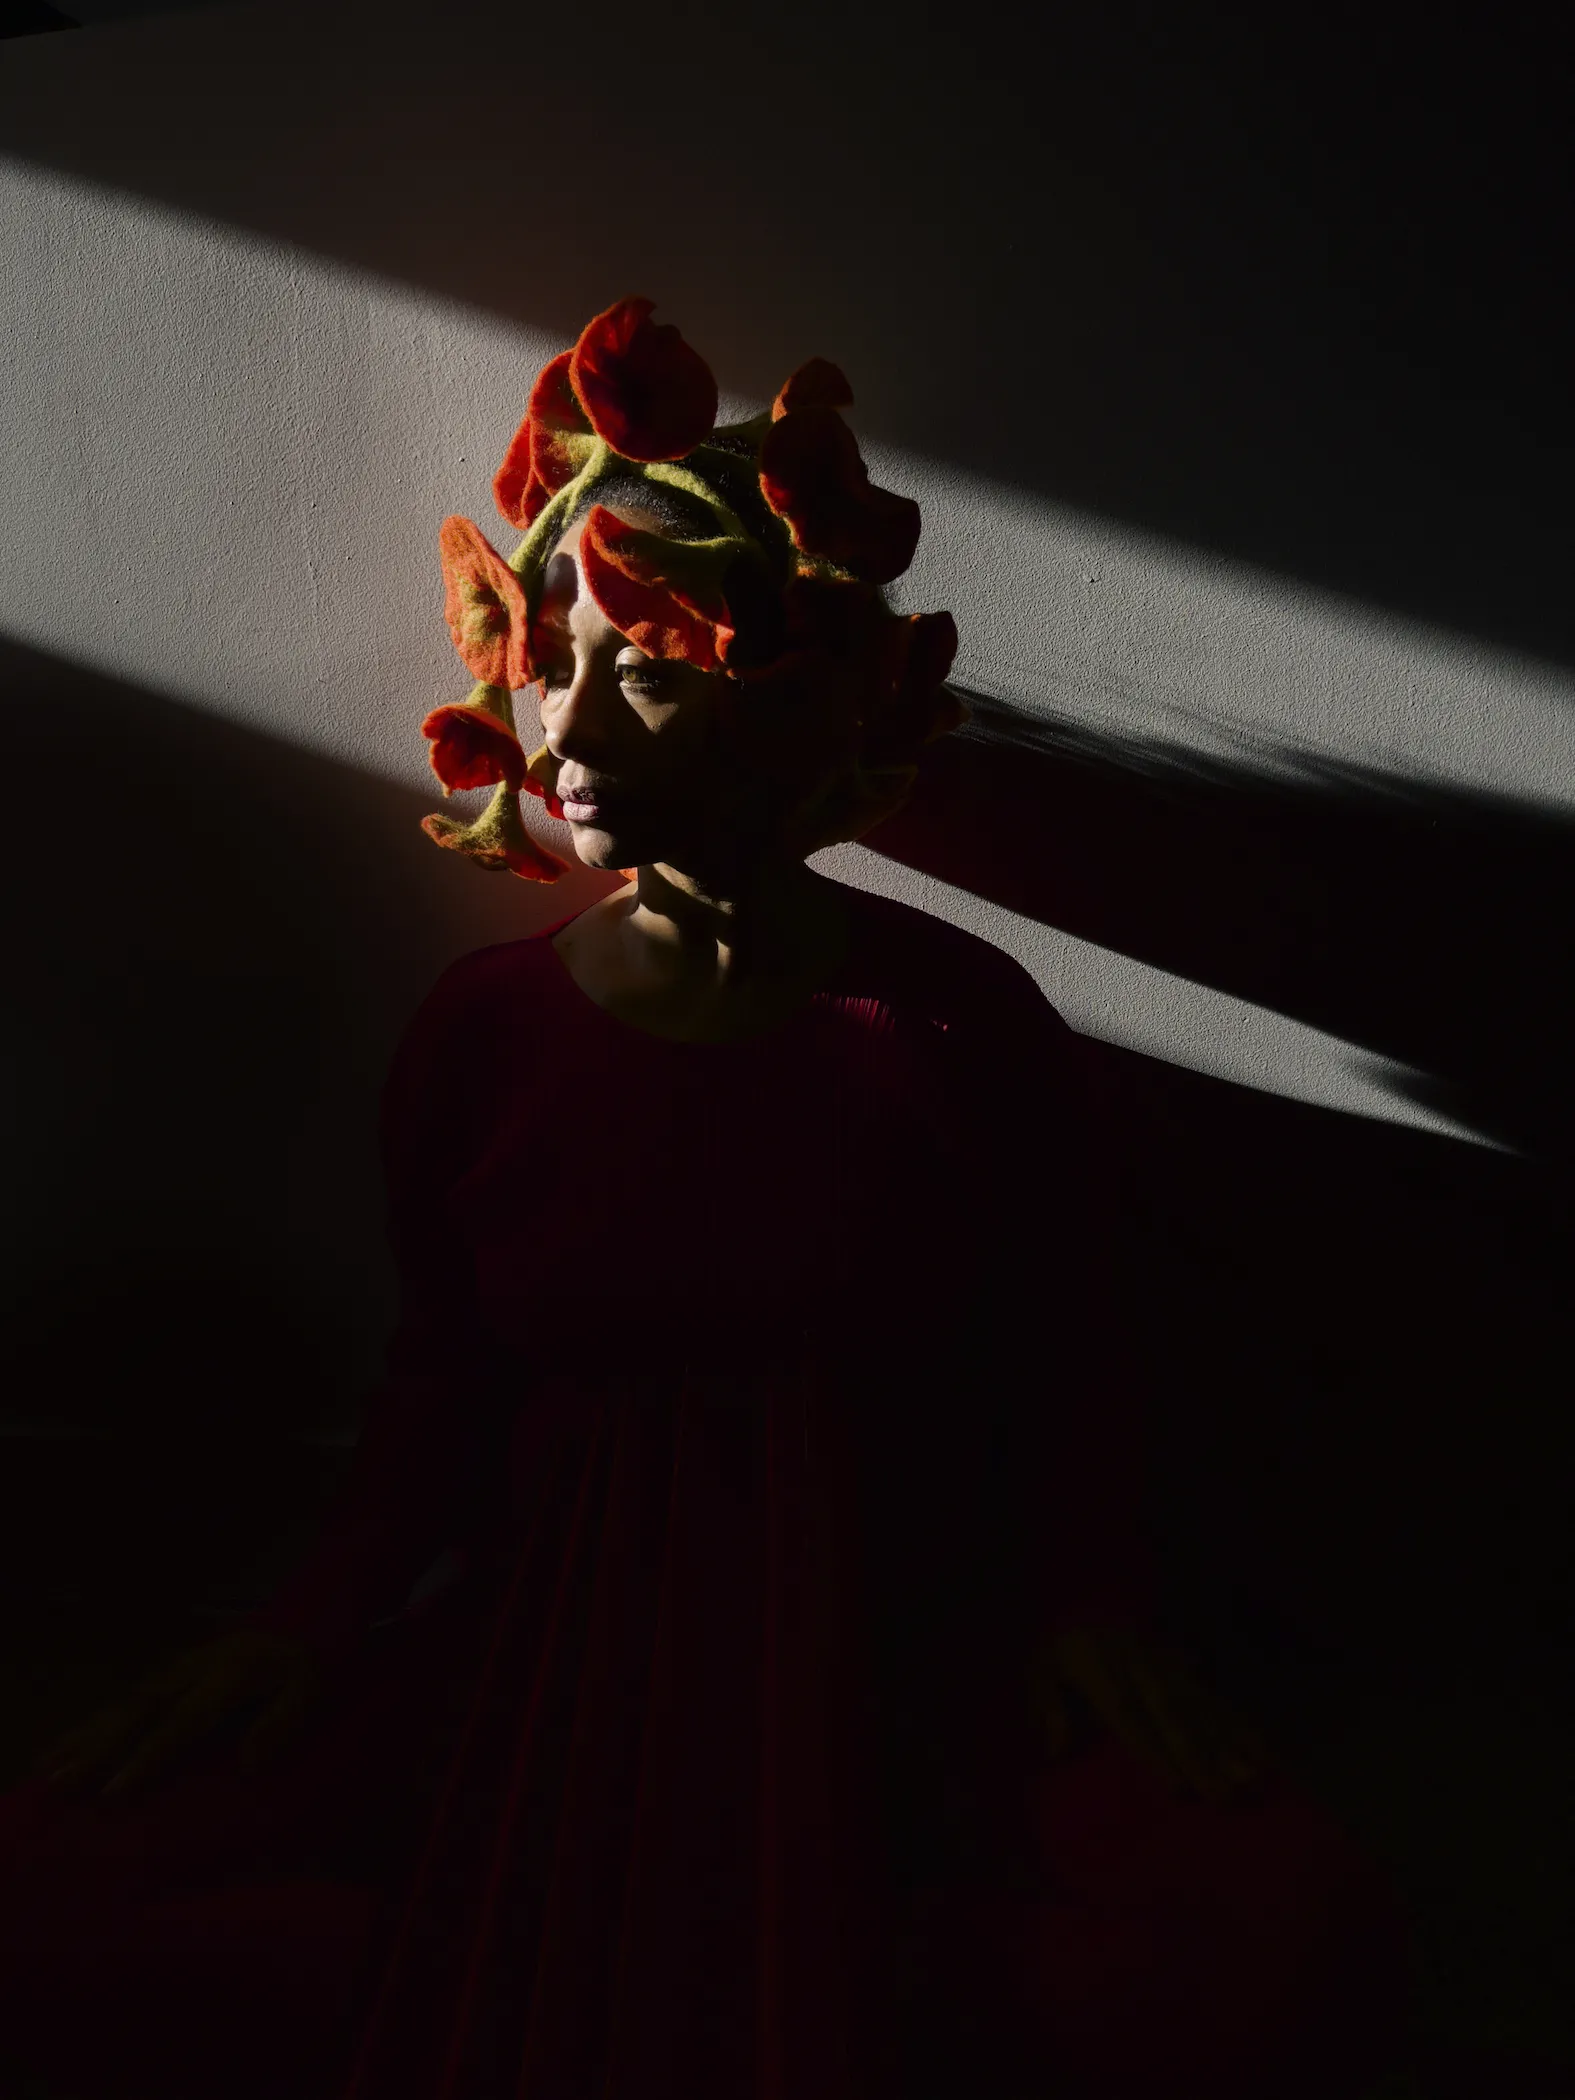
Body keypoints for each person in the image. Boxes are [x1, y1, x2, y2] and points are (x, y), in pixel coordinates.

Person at [0, 298, 1419, 2100]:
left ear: (798, 690)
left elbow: (1067, 1354)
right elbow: (437, 1387)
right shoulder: (486, 1029)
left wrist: (1088, 1612)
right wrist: (306, 1625)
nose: (569, 717)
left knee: (1300, 1946)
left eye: (647, 663)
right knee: (42, 1889)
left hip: (894, 1645)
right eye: (549, 657)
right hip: (534, 1638)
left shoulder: (949, 1017)